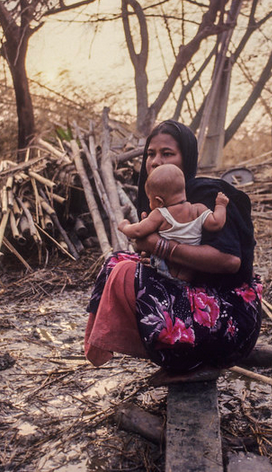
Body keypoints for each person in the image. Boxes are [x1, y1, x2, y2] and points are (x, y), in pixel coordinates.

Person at [84, 120, 262, 377]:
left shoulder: (209, 194)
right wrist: (152, 258)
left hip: (230, 315)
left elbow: (229, 261)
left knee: (126, 273)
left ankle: (184, 355)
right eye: (150, 154)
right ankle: (151, 348)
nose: (156, 162)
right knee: (115, 262)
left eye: (167, 154)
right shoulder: (158, 200)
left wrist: (159, 246)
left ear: (186, 158)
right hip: (195, 297)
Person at [117, 162, 230, 282]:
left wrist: (125, 227)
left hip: (164, 266)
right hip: (191, 266)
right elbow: (217, 223)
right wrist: (221, 205)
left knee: (123, 267)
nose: (150, 205)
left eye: (150, 200)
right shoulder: (199, 209)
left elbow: (138, 231)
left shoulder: (160, 214)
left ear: (159, 201)